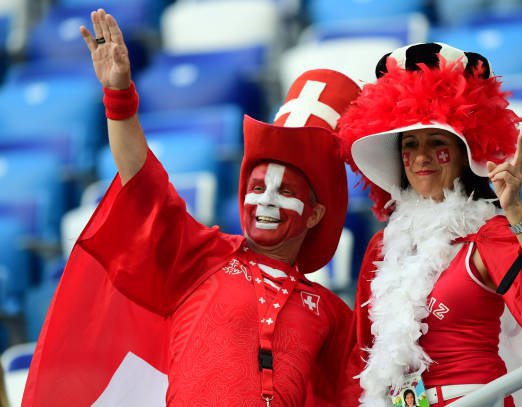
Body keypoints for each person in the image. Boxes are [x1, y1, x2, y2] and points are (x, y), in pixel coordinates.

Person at [23, 9, 361, 406]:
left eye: (285, 190)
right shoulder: (202, 256)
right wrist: (119, 97)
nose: (266, 199)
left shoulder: (332, 314)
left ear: (315, 214)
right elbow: (142, 182)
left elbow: (354, 395)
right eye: (257, 187)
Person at [337, 42, 522, 406]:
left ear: (464, 154)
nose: (422, 156)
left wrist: (516, 213)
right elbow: (363, 356)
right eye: (410, 143)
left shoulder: (489, 236)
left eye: (437, 141)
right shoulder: (383, 248)